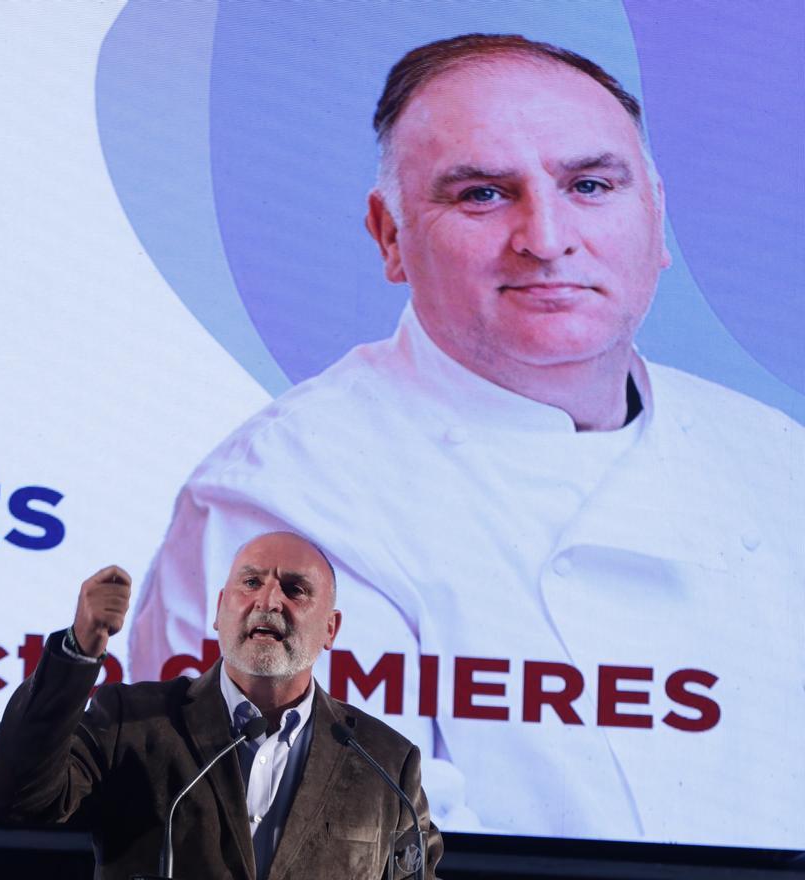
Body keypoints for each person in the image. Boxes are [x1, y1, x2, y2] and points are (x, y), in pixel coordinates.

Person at [127, 35, 805, 846]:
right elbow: (332, 845)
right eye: (483, 195)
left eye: (591, 185)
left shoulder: (773, 455)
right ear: (389, 236)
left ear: (658, 220)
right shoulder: (285, 498)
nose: (547, 238)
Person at [0, 532, 443, 880]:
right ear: (220, 609)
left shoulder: (384, 763)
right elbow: (15, 797)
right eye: (251, 582)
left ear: (331, 628)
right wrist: (79, 651)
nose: (268, 601)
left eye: (295, 589)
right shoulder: (135, 722)